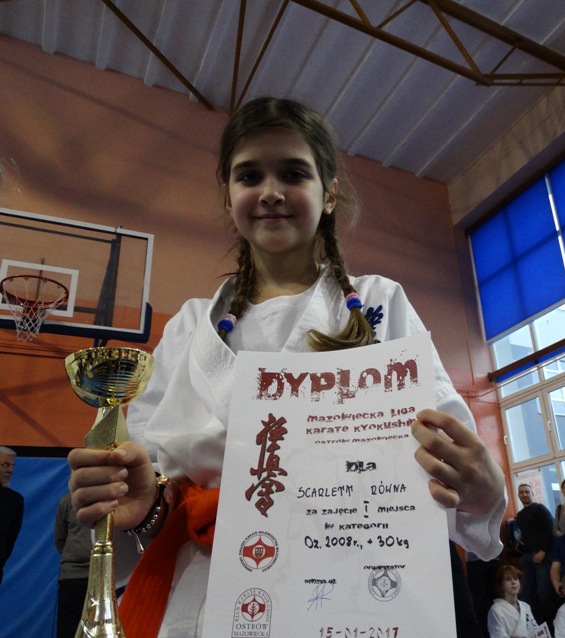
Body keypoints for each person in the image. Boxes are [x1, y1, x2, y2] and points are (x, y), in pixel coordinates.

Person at [68, 96, 506, 638]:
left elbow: (448, 449)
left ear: (329, 193)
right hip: (213, 581)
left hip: (357, 564)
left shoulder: (378, 302)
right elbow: (155, 484)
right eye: (249, 175)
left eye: (294, 173)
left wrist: (481, 484)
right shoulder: (190, 326)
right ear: (228, 195)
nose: (271, 191)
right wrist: (142, 501)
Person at [515, 483, 560, 627]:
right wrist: (521, 544)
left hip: (543, 557)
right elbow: (529, 534)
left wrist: (543, 551)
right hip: (527, 557)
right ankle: (536, 627)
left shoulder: (540, 509)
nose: (524, 494)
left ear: (532, 494)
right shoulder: (520, 515)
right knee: (524, 594)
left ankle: (552, 627)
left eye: (527, 492)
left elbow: (550, 531)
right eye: (521, 492)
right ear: (518, 495)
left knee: (544, 594)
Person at [54, 491, 92, 638]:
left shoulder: (114, 500)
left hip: (106, 577)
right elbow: (60, 539)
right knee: (69, 630)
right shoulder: (67, 501)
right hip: (73, 577)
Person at [487, 564, 539, 638]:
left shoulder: (526, 606)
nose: (513, 582)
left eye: (515, 578)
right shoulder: (496, 610)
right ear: (501, 586)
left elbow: (536, 631)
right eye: (508, 579)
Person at [0, 446, 24, 585]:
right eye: (5, 465)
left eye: (12, 466)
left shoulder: (15, 500)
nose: (10, 470)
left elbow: (11, 537)